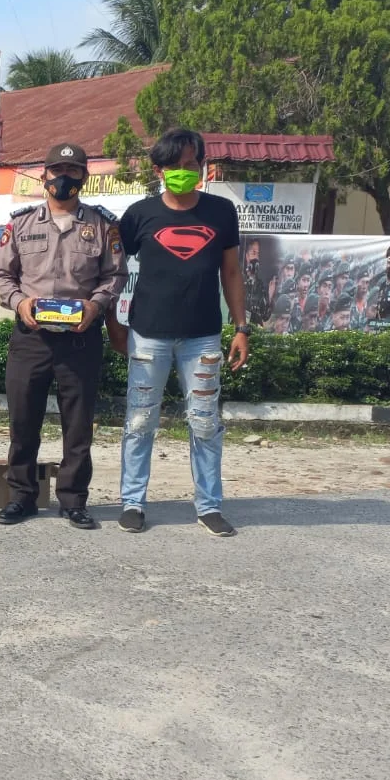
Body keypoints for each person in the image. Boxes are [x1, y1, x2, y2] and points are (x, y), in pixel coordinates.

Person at [117, 127, 251, 537]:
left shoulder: (221, 212)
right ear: (158, 170)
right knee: (140, 421)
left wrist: (241, 328)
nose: (184, 171)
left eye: (191, 164)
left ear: (202, 166)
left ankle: (209, 506)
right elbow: (113, 271)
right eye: (174, 165)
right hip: (147, 335)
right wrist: (112, 323)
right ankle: (132, 502)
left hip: (203, 337)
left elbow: (232, 272)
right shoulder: (139, 215)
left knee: (205, 422)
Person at [0, 145, 127, 530]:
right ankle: (22, 496)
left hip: (80, 339)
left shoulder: (102, 226)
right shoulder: (21, 224)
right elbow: (2, 274)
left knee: (78, 425)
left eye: (72, 170)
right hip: (31, 337)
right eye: (57, 170)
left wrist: (96, 306)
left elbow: (115, 275)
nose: (63, 177)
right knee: (22, 421)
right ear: (44, 176)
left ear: (84, 176)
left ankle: (73, 500)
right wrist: (20, 303)